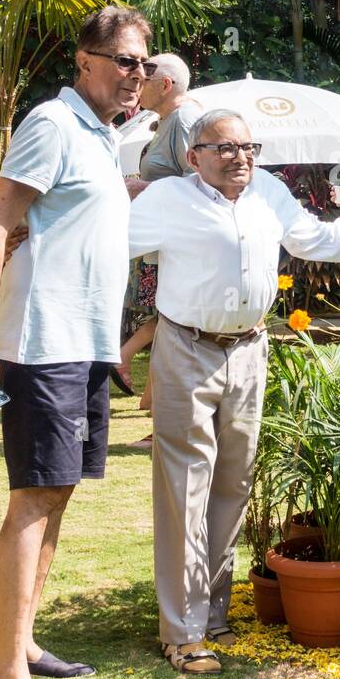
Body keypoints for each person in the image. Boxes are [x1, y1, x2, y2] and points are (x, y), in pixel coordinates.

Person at [127, 108, 340, 675]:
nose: (240, 157)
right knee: (185, 486)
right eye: (224, 148)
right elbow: (106, 245)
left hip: (250, 348)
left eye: (248, 146)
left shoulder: (268, 191)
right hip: (187, 349)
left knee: (233, 483)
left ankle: (213, 609)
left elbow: (322, 240)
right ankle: (183, 630)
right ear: (194, 155)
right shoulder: (167, 199)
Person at [0, 6, 154, 679]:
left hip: (86, 347)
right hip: (42, 346)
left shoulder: (103, 138)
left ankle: (23, 642)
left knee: (58, 495)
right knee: (34, 499)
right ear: (85, 60)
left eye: (144, 63)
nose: (138, 75)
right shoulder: (52, 124)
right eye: (126, 61)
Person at [111, 55, 202, 445]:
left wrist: (141, 189)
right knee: (166, 326)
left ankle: (162, 424)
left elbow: (198, 180)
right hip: (160, 246)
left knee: (172, 326)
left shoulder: (183, 120)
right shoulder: (165, 121)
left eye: (144, 79)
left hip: (178, 247)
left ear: (165, 85)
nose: (135, 83)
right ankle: (153, 406)